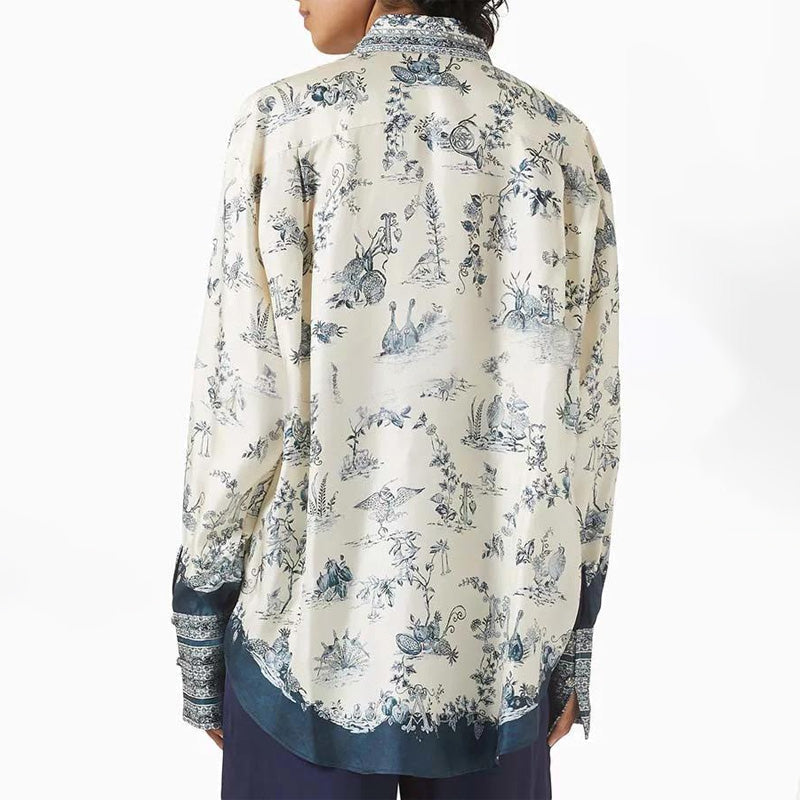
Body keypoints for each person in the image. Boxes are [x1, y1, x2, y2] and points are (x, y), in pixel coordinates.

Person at [170, 2, 622, 797]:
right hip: (502, 660)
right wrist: (575, 628)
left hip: (300, 655)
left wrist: (201, 611)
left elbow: (241, 401)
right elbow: (590, 418)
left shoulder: (286, 122)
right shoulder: (559, 141)